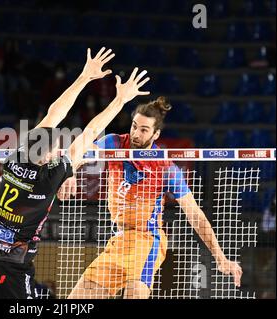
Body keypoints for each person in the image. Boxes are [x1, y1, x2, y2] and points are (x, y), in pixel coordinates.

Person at [0, 47, 150, 299]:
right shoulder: (46, 180)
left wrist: (85, 76)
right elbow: (89, 134)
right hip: (13, 274)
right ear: (46, 156)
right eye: (56, 149)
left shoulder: (16, 158)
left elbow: (53, 114)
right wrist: (120, 100)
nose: (59, 151)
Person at [62, 96, 243, 299]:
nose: (135, 134)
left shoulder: (165, 168)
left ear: (155, 134)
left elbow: (195, 215)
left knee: (134, 294)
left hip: (147, 240)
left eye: (144, 130)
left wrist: (220, 258)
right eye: (134, 126)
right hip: (119, 240)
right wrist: (70, 172)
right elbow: (84, 150)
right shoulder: (115, 143)